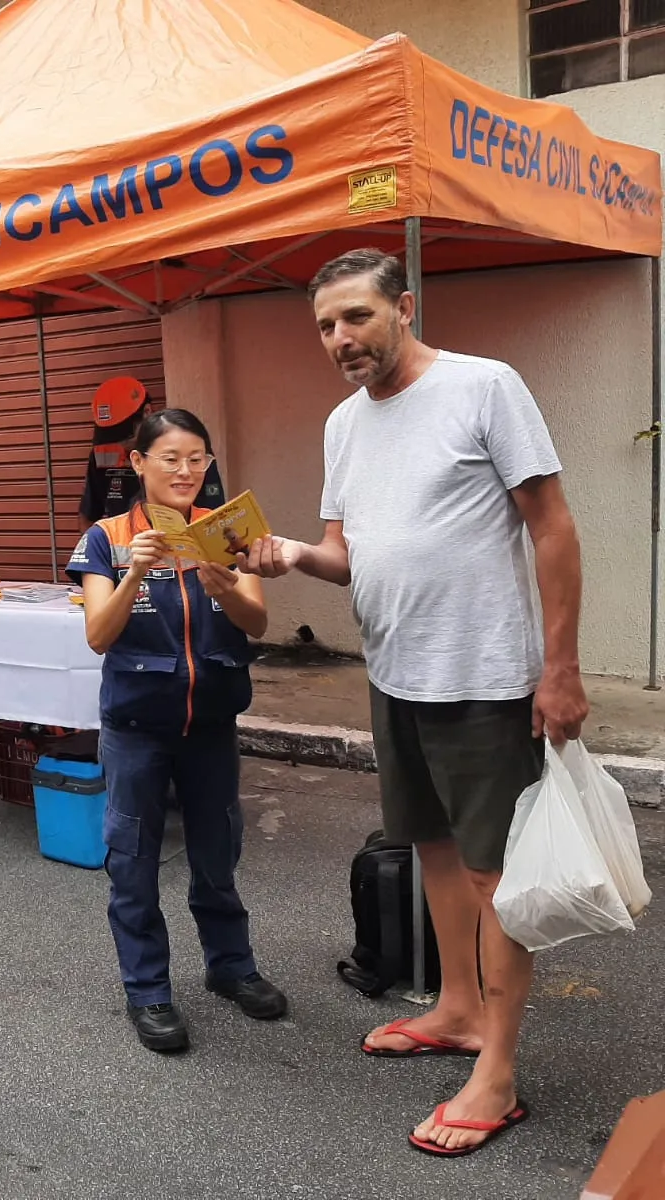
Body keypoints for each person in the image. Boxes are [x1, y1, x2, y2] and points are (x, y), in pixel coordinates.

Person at [240, 248, 587, 1157]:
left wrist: (560, 669)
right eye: (325, 325)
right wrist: (287, 554)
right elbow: (344, 552)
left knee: (494, 877)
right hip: (396, 670)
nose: (341, 338)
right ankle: (461, 1008)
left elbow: (551, 525)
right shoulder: (344, 425)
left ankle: (499, 1075)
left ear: (404, 306)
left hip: (483, 678)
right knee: (432, 851)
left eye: (356, 316)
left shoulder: (485, 388)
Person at [68, 408, 286, 1055]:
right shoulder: (106, 538)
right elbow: (98, 636)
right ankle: (148, 991)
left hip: (211, 726)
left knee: (217, 854)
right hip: (137, 729)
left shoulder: (230, 531)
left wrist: (226, 584)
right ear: (138, 464)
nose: (185, 470)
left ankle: (231, 967)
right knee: (133, 862)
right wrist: (135, 570)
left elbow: (258, 622)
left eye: (197, 458)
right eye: (170, 458)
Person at [78, 376, 225, 529]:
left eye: (124, 434)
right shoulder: (102, 453)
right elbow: (88, 514)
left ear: (146, 412)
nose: (119, 442)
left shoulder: (190, 451)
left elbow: (213, 515)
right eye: (110, 435)